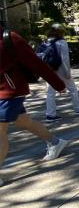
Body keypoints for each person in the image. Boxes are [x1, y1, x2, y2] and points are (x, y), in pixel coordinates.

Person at [1, 26, 69, 187]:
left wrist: (58, 84)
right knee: (22, 122)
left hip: (9, 92)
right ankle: (55, 142)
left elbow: (36, 64)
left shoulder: (10, 39)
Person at [44, 24, 79, 123]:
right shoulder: (62, 42)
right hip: (60, 70)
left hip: (48, 69)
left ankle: (50, 114)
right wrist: (67, 72)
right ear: (61, 32)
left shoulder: (46, 42)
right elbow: (65, 59)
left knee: (50, 92)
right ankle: (78, 108)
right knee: (72, 89)